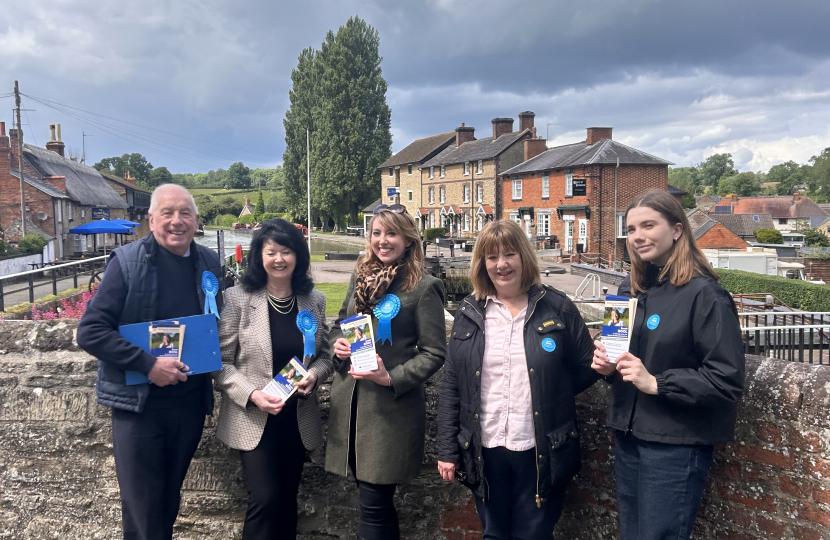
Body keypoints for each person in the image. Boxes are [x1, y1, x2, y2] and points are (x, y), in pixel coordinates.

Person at [592, 189, 745, 540]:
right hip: (629, 436)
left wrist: (658, 383)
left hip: (674, 444)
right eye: (631, 229)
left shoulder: (706, 294)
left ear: (677, 230)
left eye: (648, 225)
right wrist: (605, 367)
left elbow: (727, 379)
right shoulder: (626, 290)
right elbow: (618, 365)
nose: (637, 236)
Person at [436, 219, 599, 540]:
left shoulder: (557, 307)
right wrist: (446, 449)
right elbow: (452, 384)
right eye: (492, 257)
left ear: (524, 257)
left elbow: (586, 366)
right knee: (494, 534)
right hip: (486, 449)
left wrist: (552, 392)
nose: (502, 264)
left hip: (541, 448)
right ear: (482, 264)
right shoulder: (470, 312)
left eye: (509, 254)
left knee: (534, 534)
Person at [77, 184, 223, 540]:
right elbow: (91, 331)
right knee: (142, 511)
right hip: (139, 411)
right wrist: (148, 365)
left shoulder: (209, 263)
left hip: (187, 407)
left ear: (196, 220)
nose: (177, 221)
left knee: (167, 505)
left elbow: (216, 323)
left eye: (185, 213)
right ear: (151, 219)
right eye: (168, 213)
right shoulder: (126, 263)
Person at [326, 204, 447, 540]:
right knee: (372, 505)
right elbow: (339, 325)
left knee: (374, 503)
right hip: (350, 408)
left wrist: (391, 376)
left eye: (391, 233)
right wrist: (337, 346)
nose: (382, 240)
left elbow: (435, 352)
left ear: (408, 240)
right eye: (376, 233)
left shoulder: (424, 286)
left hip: (388, 415)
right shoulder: (360, 275)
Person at [214, 218, 332, 540]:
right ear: (259, 257)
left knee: (287, 504)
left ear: (298, 257)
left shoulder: (315, 301)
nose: (279, 259)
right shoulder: (238, 299)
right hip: (253, 418)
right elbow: (220, 363)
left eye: (286, 251)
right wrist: (252, 393)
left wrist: (315, 376)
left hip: (296, 419)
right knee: (265, 500)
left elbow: (325, 356)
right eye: (271, 252)